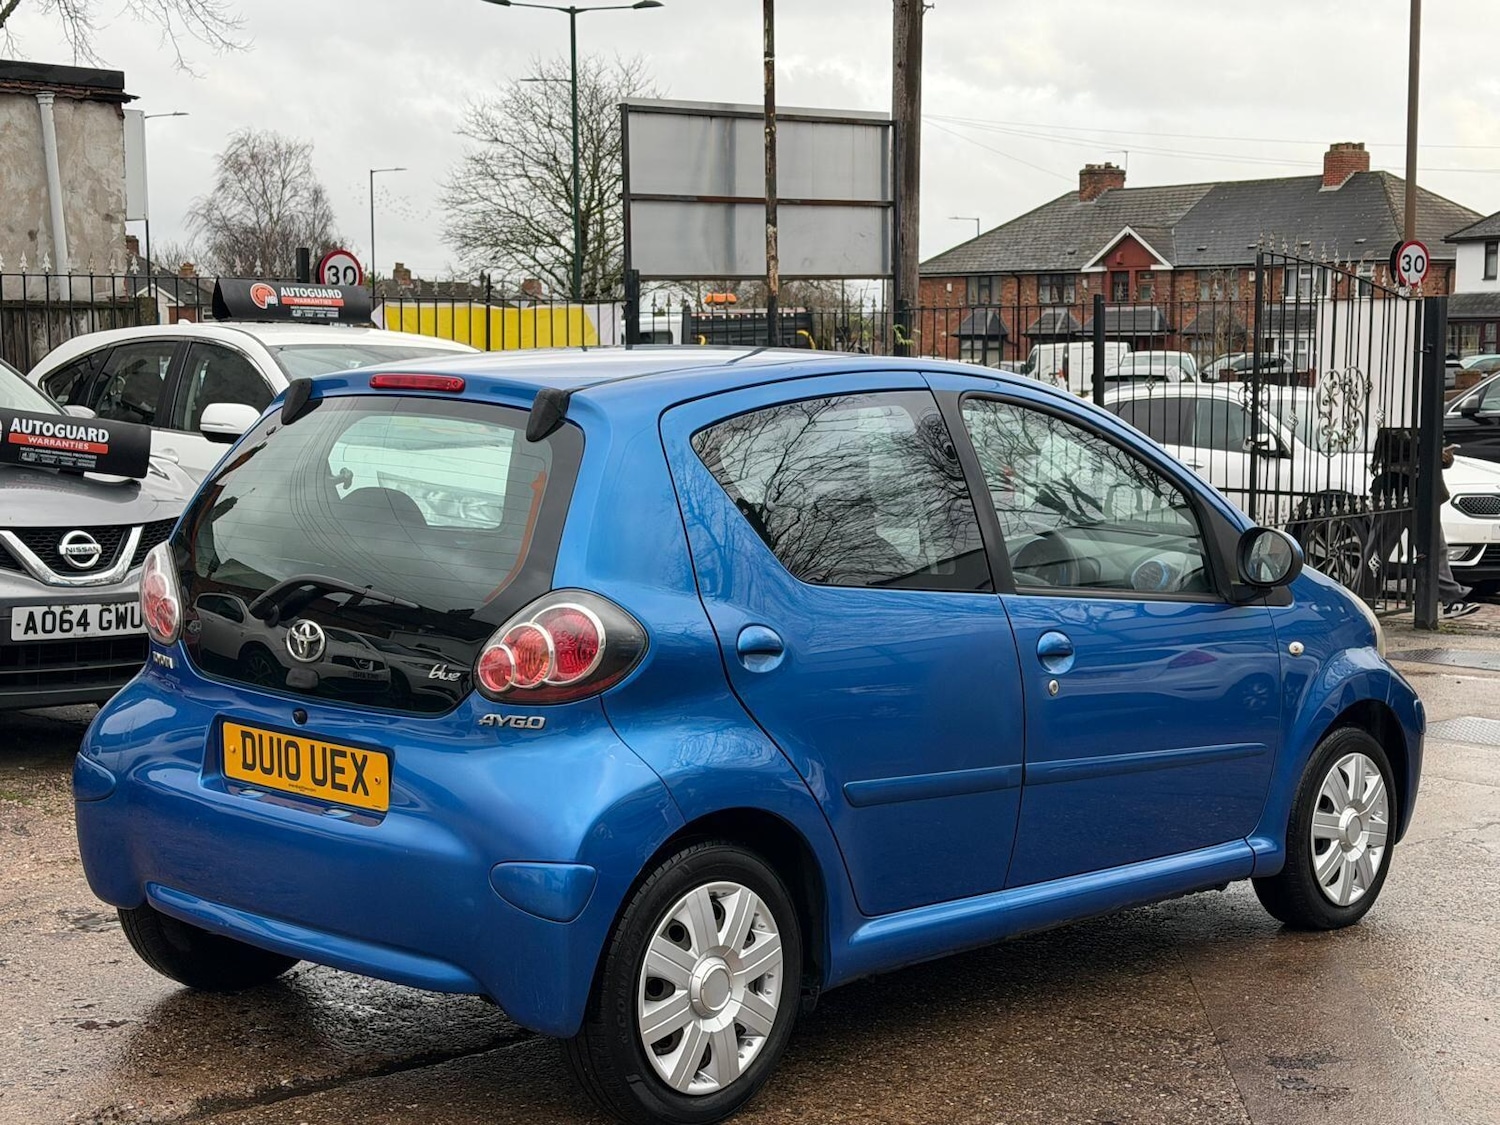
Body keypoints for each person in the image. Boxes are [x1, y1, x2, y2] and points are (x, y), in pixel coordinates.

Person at [1370, 427, 1480, 619]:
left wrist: (1445, 458)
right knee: (1379, 547)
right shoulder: (1397, 415)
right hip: (1395, 490)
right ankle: (1364, 597)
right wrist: (1431, 450)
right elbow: (1390, 449)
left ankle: (1452, 600)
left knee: (1435, 548)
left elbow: (1435, 457)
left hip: (1423, 491)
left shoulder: (1430, 414)